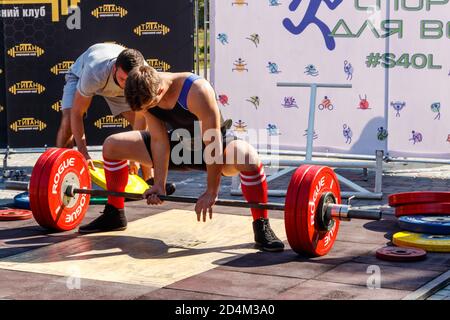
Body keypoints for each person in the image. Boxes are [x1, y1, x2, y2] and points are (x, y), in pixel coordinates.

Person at [78, 66, 285, 252]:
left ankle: (262, 225)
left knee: (247, 156)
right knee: (113, 145)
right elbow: (159, 141)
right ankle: (115, 212)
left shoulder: (197, 91)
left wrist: (211, 191)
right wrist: (159, 184)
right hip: (177, 146)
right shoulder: (147, 92)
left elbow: (213, 144)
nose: (144, 112)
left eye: (148, 106)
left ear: (159, 91)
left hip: (211, 149)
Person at [56, 43, 175, 194]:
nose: (125, 85)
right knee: (68, 122)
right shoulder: (94, 72)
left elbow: (140, 119)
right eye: (123, 78)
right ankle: (59, 174)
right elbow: (77, 113)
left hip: (118, 83)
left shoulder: (141, 74)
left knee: (148, 123)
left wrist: (135, 159)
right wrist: (83, 152)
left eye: (129, 80)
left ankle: (149, 181)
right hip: (83, 76)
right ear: (115, 69)